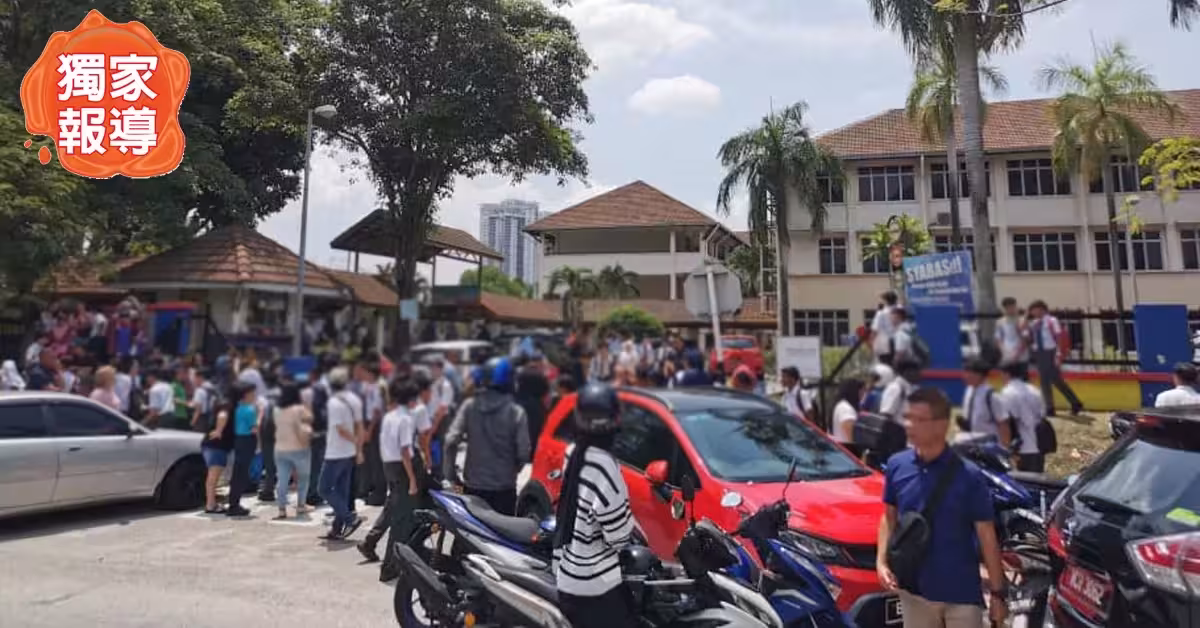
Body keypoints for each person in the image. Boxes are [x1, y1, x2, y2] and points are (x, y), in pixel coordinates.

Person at [876, 388, 1009, 628]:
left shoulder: (970, 476)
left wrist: (998, 594)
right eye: (907, 417)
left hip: (961, 596)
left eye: (919, 419)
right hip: (914, 593)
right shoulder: (897, 465)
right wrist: (881, 562)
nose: (909, 425)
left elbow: (986, 536)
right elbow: (888, 517)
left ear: (941, 425)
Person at [553, 382, 637, 628]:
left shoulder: (573, 452)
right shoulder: (604, 466)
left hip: (566, 574)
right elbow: (618, 537)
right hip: (594, 585)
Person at [442, 356, 530, 516]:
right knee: (502, 531)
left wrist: (451, 476)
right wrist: (511, 470)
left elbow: (450, 441)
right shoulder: (516, 413)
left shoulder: (469, 407)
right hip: (504, 489)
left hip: (473, 487)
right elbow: (523, 453)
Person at [359, 379, 422, 581]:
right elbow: (405, 451)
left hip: (389, 466)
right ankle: (389, 567)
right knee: (401, 521)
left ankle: (370, 542)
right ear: (411, 400)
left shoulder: (390, 416)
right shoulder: (405, 419)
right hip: (402, 468)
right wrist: (413, 479)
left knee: (391, 507)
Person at [318, 366, 366, 540]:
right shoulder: (354, 399)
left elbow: (340, 429)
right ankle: (336, 530)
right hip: (349, 453)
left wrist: (354, 441)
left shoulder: (333, 403)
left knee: (324, 489)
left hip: (335, 452)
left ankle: (349, 518)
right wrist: (359, 449)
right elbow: (360, 425)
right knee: (341, 491)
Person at [1027, 300, 1083, 416]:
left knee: (1047, 380)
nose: (1033, 313)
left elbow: (1059, 336)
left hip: (1050, 352)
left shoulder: (1052, 321)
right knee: (1054, 380)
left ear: (1041, 309)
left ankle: (1051, 407)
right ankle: (1073, 403)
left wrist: (1059, 353)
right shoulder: (1034, 323)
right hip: (1039, 353)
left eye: (1034, 310)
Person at [272, 383, 313, 519]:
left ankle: (281, 509)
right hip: (299, 448)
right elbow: (310, 418)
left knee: (282, 479)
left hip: (280, 448)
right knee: (303, 478)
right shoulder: (299, 409)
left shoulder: (276, 410)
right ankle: (301, 505)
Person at [998, 362, 1048, 472]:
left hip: (1021, 449)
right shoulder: (1035, 390)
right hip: (1039, 445)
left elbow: (1007, 423)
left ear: (1007, 374)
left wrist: (1006, 449)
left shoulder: (1007, 393)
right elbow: (1043, 415)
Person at [225, 383, 260, 517]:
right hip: (247, 440)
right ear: (246, 395)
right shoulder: (249, 410)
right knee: (242, 473)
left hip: (239, 440)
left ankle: (233, 503)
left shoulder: (237, 407)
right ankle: (234, 505)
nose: (254, 395)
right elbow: (254, 428)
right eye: (252, 393)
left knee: (238, 472)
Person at [960, 359, 1011, 447]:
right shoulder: (969, 391)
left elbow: (1003, 424)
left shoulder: (992, 396)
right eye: (965, 372)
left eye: (969, 373)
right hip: (970, 444)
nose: (966, 376)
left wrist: (1005, 448)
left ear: (981, 375)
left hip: (989, 446)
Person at [200, 387, 233, 514]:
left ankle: (211, 503)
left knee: (212, 477)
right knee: (213, 477)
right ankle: (210, 504)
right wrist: (219, 430)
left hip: (211, 444)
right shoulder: (226, 405)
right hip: (217, 446)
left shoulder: (218, 404)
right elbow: (223, 415)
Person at [994, 297, 1029, 368]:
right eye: (1007, 308)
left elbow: (1025, 339)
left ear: (1016, 307)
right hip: (1007, 354)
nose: (1010, 309)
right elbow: (998, 339)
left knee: (1022, 373)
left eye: (1012, 307)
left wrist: (1017, 354)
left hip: (1021, 356)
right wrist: (1004, 351)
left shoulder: (1022, 320)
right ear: (1004, 309)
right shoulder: (1000, 322)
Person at [832, 378, 865, 450]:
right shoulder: (846, 408)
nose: (863, 394)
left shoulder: (842, 405)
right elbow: (851, 438)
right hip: (846, 451)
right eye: (862, 390)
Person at [870, 291, 900, 365]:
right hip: (900, 343)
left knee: (886, 366)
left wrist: (872, 344)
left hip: (886, 345)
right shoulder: (901, 311)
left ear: (886, 301)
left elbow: (874, 331)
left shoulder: (881, 313)